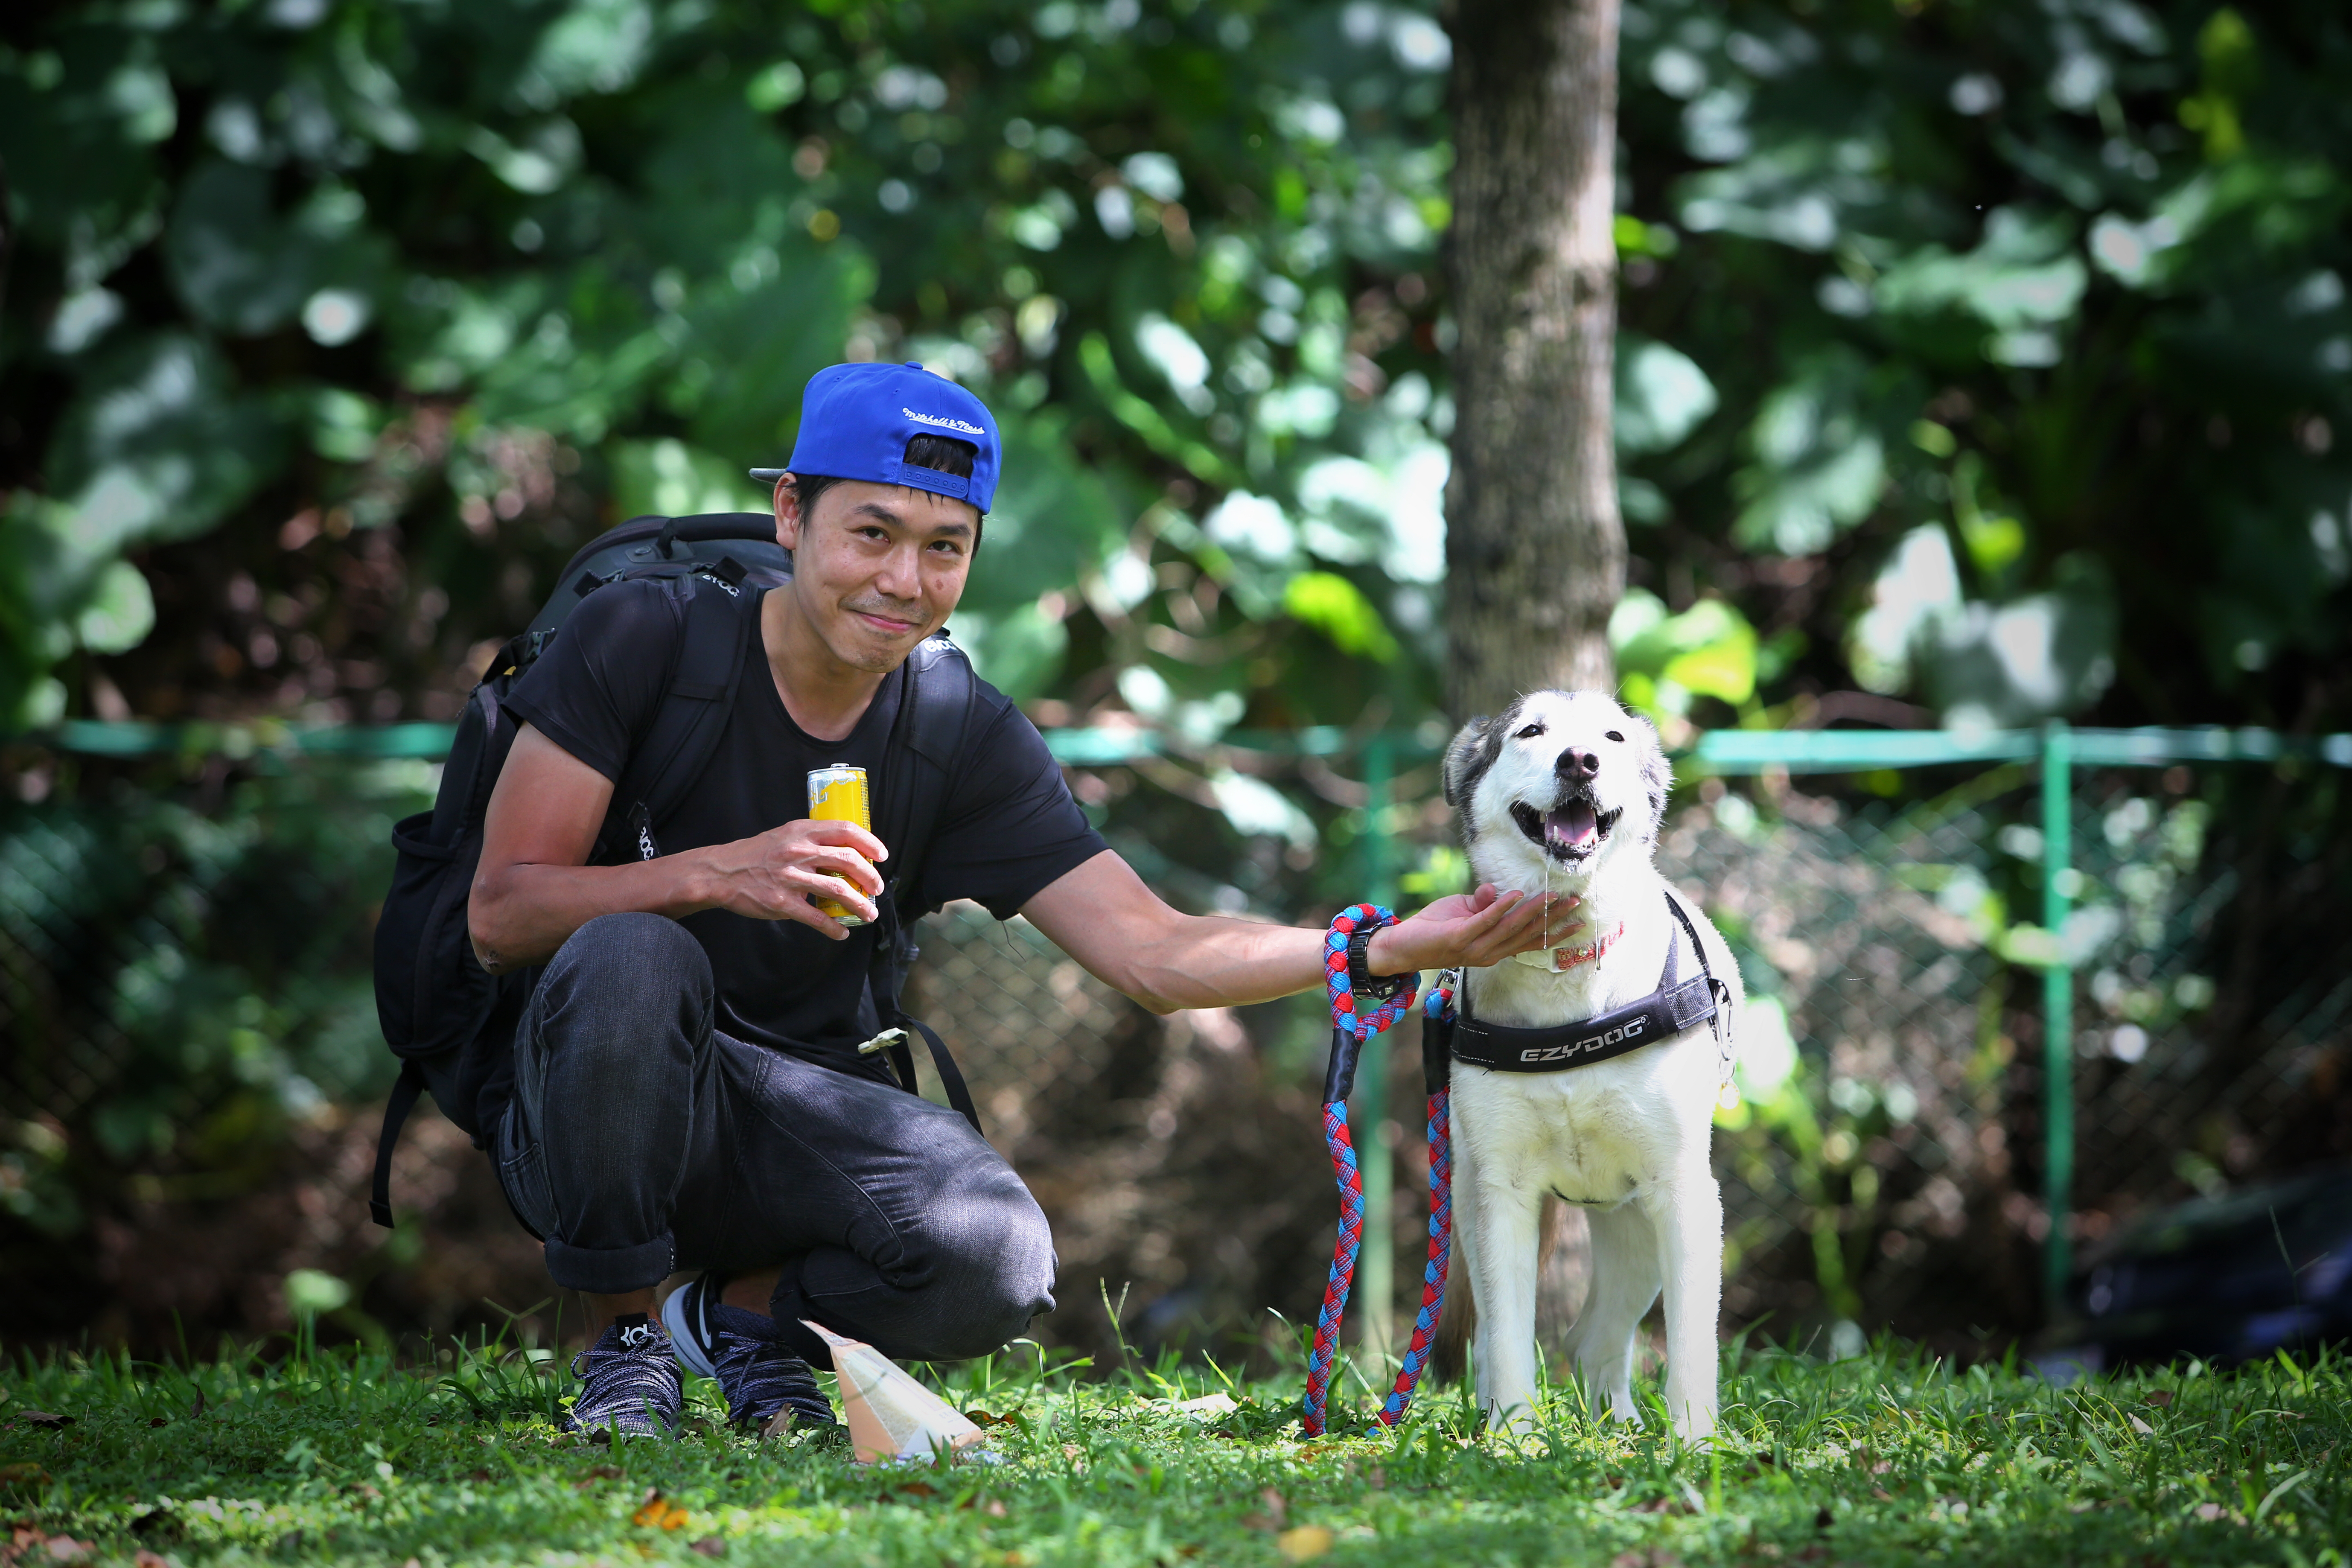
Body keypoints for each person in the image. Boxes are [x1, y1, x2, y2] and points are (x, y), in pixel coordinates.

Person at [465, 361, 1566, 1438]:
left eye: (944, 548)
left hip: (796, 1112)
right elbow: (501, 914)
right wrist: (716, 872)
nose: (904, 580)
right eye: (873, 534)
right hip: (582, 1104)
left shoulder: (956, 728)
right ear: (791, 513)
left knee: (997, 1260)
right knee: (633, 956)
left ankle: (731, 1324)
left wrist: (1374, 948)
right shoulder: (648, 640)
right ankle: (625, 1347)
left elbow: (1157, 952)